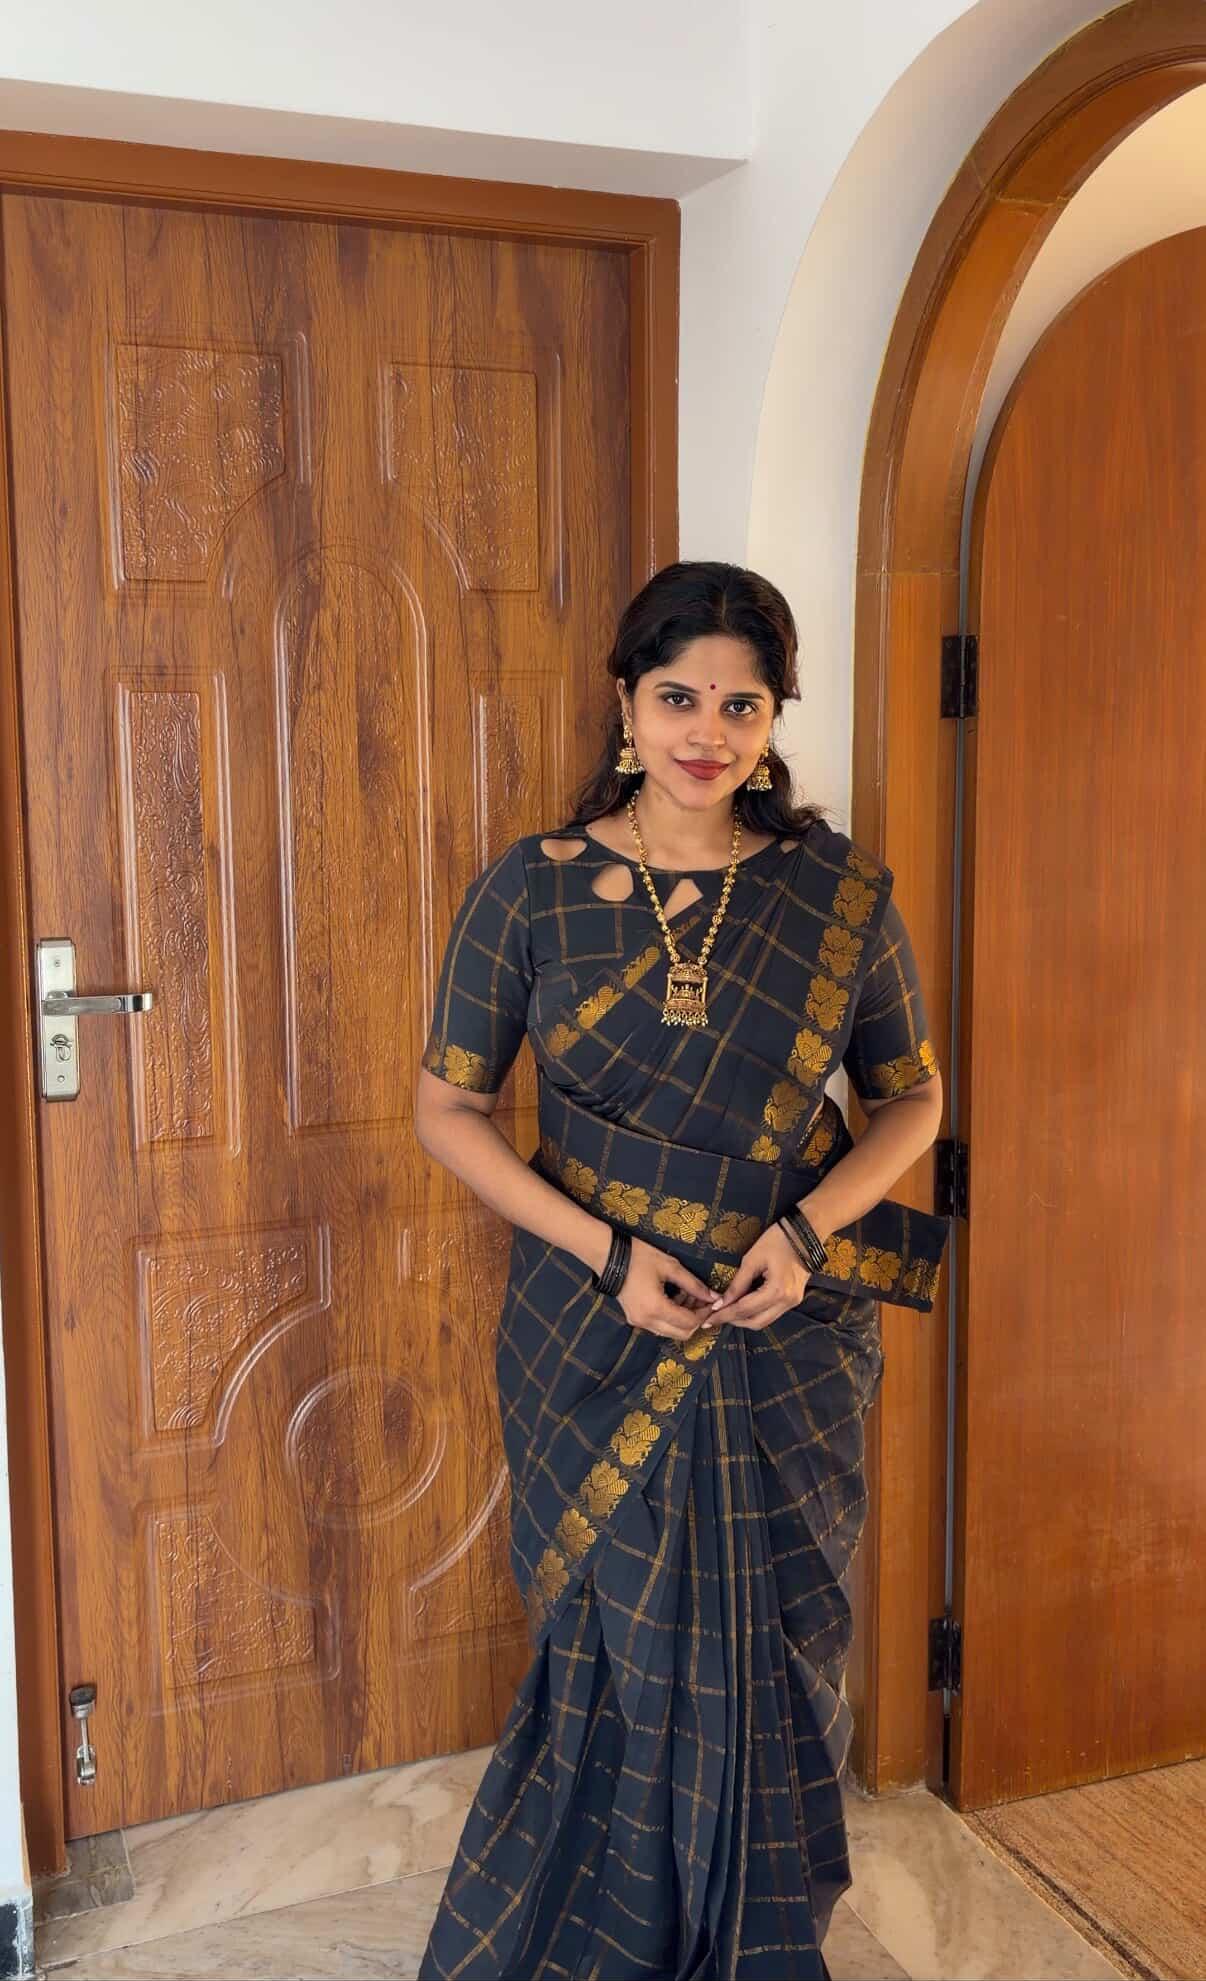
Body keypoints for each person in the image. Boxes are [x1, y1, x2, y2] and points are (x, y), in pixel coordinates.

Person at [414, 561, 950, 1981]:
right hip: (595, 1328)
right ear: (624, 701)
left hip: (787, 1328)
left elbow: (911, 1100)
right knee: (616, 1633)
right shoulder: (530, 888)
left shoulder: (834, 892)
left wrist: (805, 1235)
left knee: (779, 1638)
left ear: (774, 716)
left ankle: (758, 1941)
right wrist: (609, 1255)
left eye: (740, 705)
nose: (706, 733)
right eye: (677, 698)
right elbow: (446, 1110)